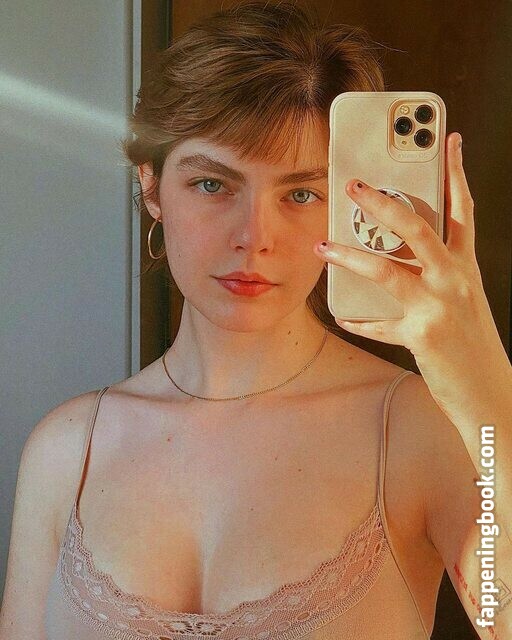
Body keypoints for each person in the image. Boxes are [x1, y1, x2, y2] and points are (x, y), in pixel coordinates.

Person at [1, 2, 511, 639]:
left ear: (344, 203)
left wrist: (482, 376)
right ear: (151, 185)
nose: (254, 236)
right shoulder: (65, 451)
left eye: (301, 194)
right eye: (213, 185)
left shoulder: (419, 433)